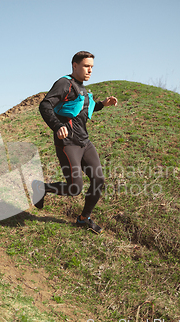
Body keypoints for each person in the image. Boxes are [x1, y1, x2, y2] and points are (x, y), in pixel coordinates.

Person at [33, 51, 118, 234]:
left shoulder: (82, 88)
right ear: (75, 66)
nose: (90, 70)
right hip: (67, 143)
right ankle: (42, 188)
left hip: (84, 142)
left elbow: (82, 109)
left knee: (99, 179)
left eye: (92, 67)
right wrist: (56, 126)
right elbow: (45, 105)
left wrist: (103, 104)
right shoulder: (65, 83)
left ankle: (83, 219)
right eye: (87, 66)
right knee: (75, 188)